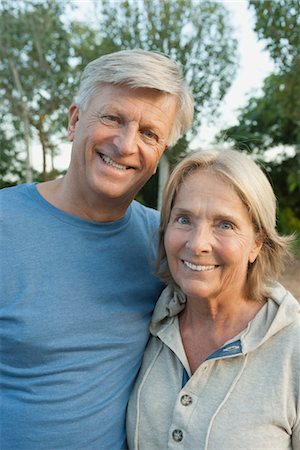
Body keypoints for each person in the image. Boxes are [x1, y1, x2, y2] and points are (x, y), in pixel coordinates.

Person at [0, 49, 194, 450]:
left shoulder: (167, 244)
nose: (125, 145)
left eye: (149, 133)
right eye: (112, 118)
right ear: (75, 121)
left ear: (159, 155)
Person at [127, 148, 300, 450]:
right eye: (184, 219)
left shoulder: (292, 349)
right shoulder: (149, 324)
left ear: (256, 243)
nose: (197, 244)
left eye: (225, 225)